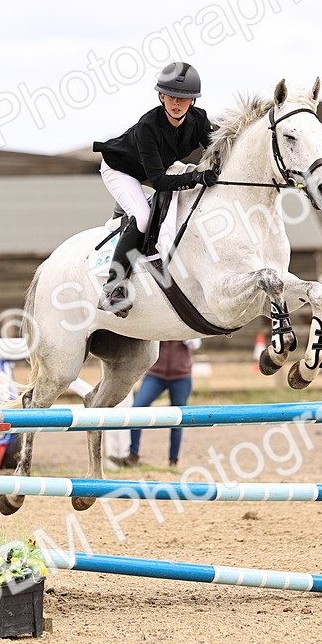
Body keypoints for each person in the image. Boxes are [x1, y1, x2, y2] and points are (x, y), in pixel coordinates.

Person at [91, 62, 220, 317]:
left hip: (154, 168)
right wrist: (196, 176)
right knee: (142, 216)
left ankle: (123, 211)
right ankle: (113, 287)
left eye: (183, 98)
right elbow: (159, 182)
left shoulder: (200, 120)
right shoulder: (149, 125)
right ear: (161, 96)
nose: (176, 103)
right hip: (121, 169)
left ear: (192, 102)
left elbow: (219, 151)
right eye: (171, 96)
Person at [110, 338, 201, 468]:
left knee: (178, 420)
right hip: (156, 375)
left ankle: (173, 461)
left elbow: (196, 343)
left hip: (181, 377)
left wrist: (182, 334)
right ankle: (133, 456)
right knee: (137, 410)